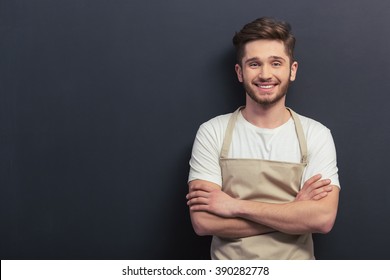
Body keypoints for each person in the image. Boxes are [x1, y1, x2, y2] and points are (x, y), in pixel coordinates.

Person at [186, 17, 340, 260]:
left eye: (276, 63)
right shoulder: (212, 131)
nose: (265, 74)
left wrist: (236, 206)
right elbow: (203, 222)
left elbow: (322, 219)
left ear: (292, 70)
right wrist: (294, 213)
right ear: (240, 72)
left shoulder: (316, 134)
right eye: (254, 64)